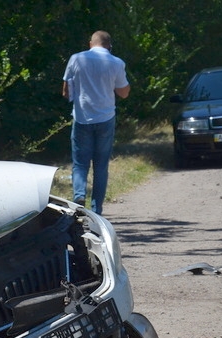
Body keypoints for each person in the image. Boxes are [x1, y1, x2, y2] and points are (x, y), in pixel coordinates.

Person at [62, 30, 130, 215]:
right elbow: (123, 93)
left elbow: (66, 91)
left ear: (90, 43)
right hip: (105, 118)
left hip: (82, 118)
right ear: (109, 45)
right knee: (101, 165)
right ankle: (97, 210)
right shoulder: (116, 63)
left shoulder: (76, 59)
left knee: (80, 163)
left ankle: (79, 196)